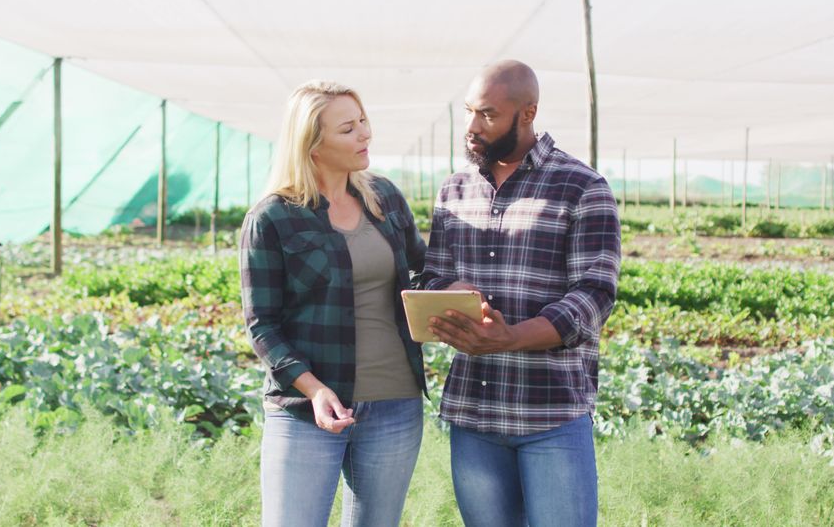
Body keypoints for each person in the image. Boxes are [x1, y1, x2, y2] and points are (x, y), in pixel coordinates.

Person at [422, 60, 620, 527]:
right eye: (469, 112)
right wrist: (448, 290)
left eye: (487, 115)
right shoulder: (454, 191)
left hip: (549, 413)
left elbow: (593, 296)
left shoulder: (581, 187)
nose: (472, 127)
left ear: (527, 113)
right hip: (475, 412)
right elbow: (430, 276)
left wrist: (511, 337)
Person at [239, 80, 428, 527]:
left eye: (363, 121)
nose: (365, 134)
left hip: (394, 403)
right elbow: (261, 325)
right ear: (313, 144)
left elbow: (424, 268)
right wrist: (316, 390)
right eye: (348, 128)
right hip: (306, 410)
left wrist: (453, 292)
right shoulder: (272, 218)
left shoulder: (385, 198)